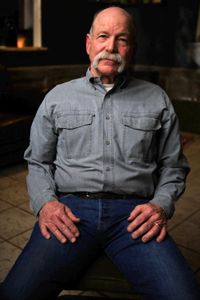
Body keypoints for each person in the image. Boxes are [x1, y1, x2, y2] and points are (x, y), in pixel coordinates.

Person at [0, 6, 199, 300]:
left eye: (122, 39)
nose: (110, 47)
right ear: (88, 43)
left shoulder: (157, 99)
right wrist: (46, 204)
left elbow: (173, 167)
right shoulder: (57, 97)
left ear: (132, 48)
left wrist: (159, 205)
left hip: (134, 217)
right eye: (103, 36)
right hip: (71, 212)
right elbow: (38, 161)